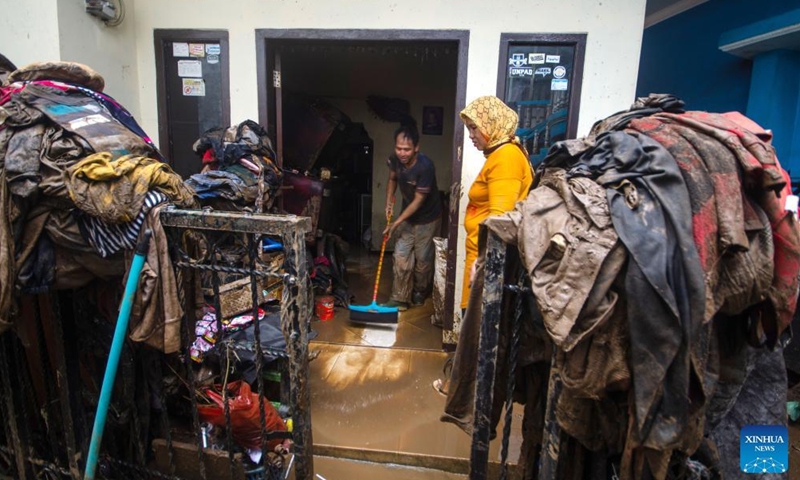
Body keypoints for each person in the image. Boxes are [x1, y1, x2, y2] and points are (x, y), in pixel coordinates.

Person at [433, 95, 533, 397]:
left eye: (475, 128)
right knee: (473, 329)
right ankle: (465, 390)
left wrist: (484, 268)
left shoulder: (506, 158)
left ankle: (465, 395)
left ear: (491, 124)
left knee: (478, 330)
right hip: (480, 262)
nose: (472, 136)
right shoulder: (500, 155)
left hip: (486, 265)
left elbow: (502, 222)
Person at [383, 123, 442, 311]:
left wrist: (396, 222)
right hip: (407, 217)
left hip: (428, 218)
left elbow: (418, 201)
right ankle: (399, 298)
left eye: (407, 149)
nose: (402, 153)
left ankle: (419, 291)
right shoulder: (395, 160)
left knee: (423, 260)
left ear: (416, 147)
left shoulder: (426, 167)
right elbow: (392, 179)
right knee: (400, 256)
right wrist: (389, 202)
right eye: (398, 148)